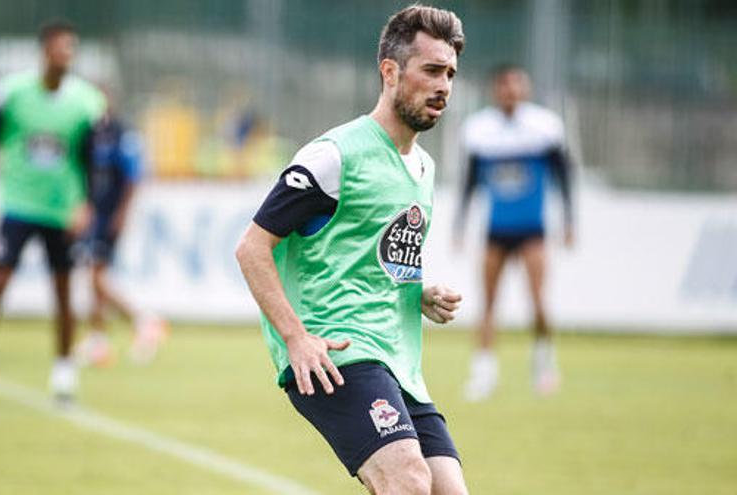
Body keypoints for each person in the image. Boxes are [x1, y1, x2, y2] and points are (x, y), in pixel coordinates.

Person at [235, 6, 468, 494]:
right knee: (407, 480)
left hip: (398, 361)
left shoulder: (423, 168)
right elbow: (252, 248)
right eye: (431, 70)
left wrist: (419, 291)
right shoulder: (334, 156)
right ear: (390, 71)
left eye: (449, 72)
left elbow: (366, 255)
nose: (443, 85)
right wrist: (296, 339)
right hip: (334, 352)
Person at [0, 20, 106, 403]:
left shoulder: (85, 102)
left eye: (71, 49)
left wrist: (85, 203)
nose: (65, 55)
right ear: (44, 52)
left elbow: (88, 159)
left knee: (63, 291)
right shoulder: (13, 93)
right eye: (59, 48)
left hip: (60, 210)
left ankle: (63, 375)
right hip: (19, 204)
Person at [454, 64, 574, 402]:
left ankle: (544, 363)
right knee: (488, 303)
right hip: (496, 230)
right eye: (504, 85)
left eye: (516, 85)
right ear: (496, 90)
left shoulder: (544, 127)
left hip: (532, 230)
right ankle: (484, 373)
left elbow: (564, 177)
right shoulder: (480, 130)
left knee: (538, 302)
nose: (510, 91)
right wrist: (460, 226)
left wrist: (569, 222)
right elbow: (469, 182)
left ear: (526, 88)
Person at [74, 92, 165, 367]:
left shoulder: (122, 135)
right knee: (95, 275)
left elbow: (132, 178)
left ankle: (143, 320)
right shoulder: (89, 134)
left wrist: (123, 214)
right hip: (95, 215)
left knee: (96, 275)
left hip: (109, 217)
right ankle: (98, 339)